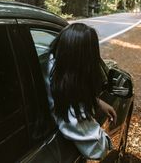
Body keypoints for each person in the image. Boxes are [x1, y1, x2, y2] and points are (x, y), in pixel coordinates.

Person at [49, 23, 117, 160]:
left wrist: (96, 101)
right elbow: (98, 149)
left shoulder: (49, 65)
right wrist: (108, 140)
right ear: (87, 64)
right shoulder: (71, 108)